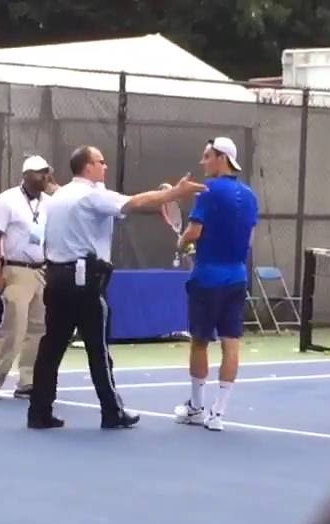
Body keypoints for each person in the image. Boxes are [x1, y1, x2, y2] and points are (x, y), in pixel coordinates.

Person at [27, 145, 205, 430]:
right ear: (87, 167)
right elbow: (135, 203)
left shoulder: (59, 196)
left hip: (56, 278)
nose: (105, 166)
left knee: (51, 348)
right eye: (100, 162)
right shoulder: (92, 194)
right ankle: (112, 411)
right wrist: (175, 193)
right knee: (98, 350)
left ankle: (39, 412)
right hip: (83, 281)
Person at [172, 137, 258, 432]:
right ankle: (218, 414)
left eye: (207, 156)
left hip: (207, 280)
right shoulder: (250, 196)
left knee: (199, 342)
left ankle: (196, 408)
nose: (202, 162)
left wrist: (182, 242)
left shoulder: (207, 192)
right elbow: (246, 241)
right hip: (237, 279)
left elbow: (194, 232)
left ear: (221, 158)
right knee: (231, 344)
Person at [0, 155, 58, 400]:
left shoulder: (50, 202)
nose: (44, 176)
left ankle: (27, 382)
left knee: (39, 329)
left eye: (46, 172)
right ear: (25, 175)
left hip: (41, 270)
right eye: (38, 172)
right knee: (14, 327)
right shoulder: (7, 199)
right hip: (15, 269)